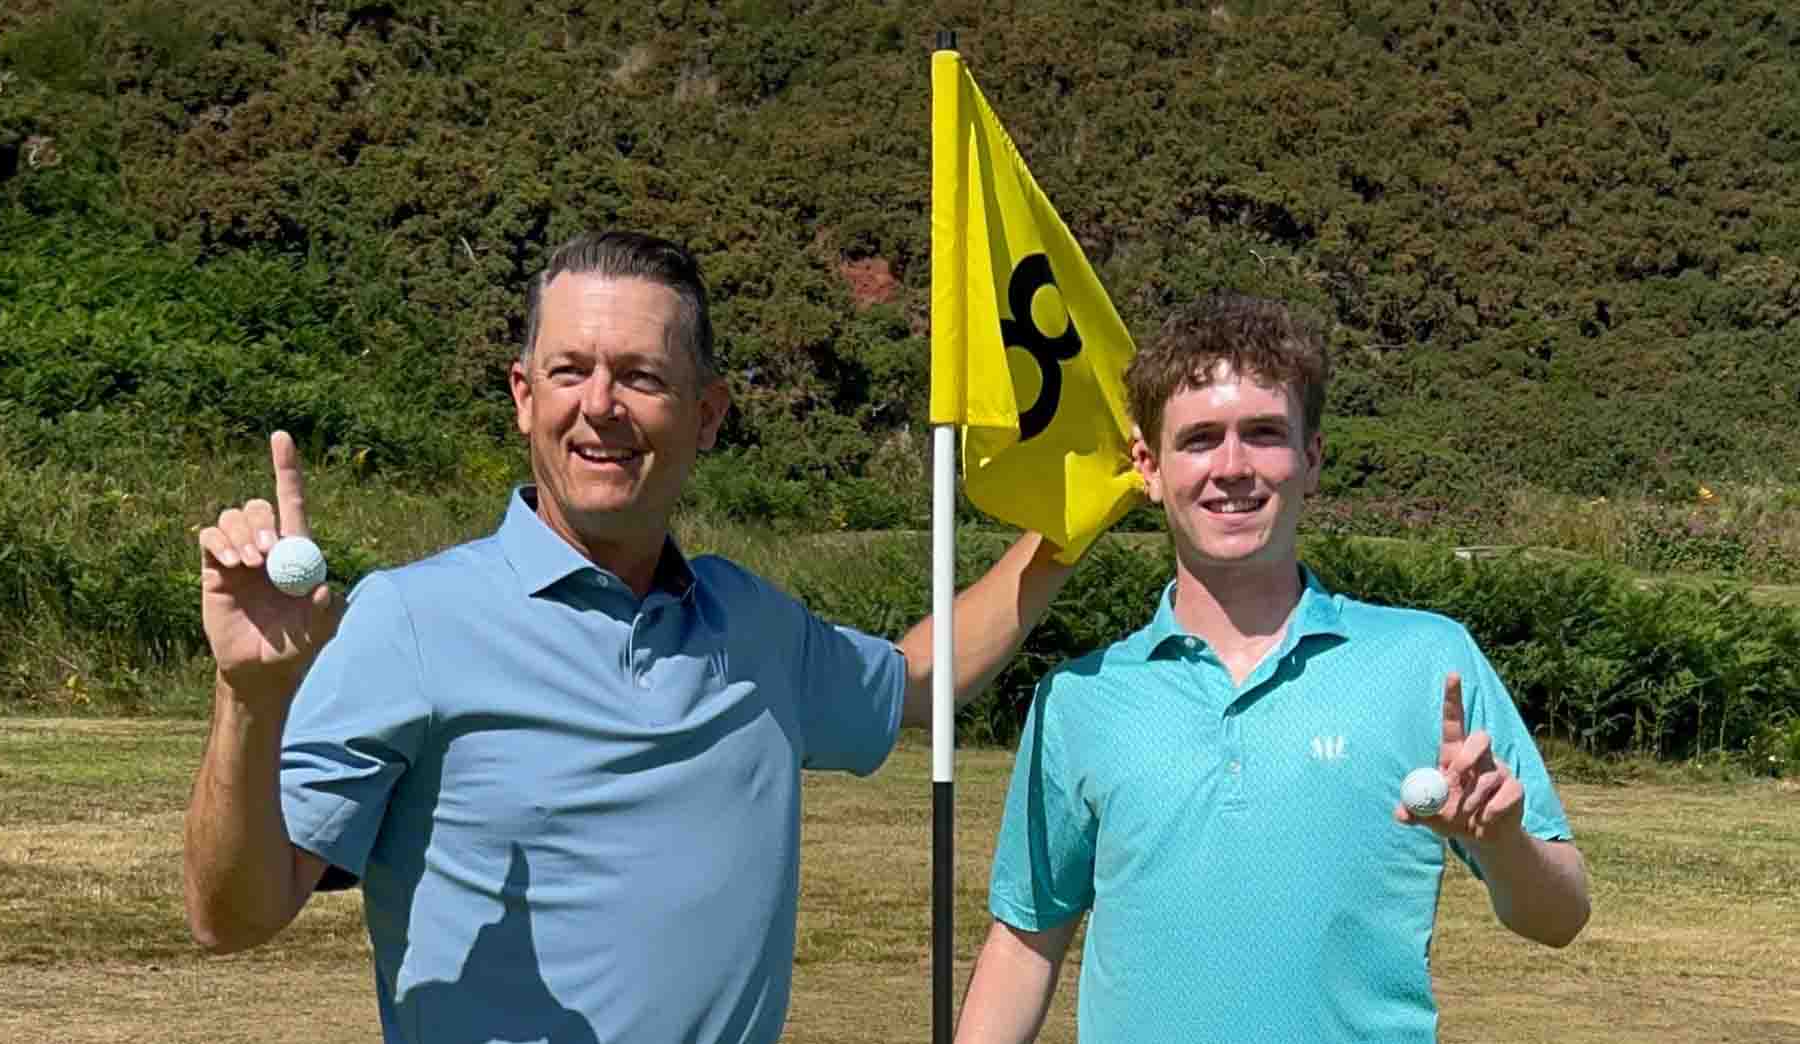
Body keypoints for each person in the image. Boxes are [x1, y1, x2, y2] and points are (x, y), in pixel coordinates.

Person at [183, 231, 1078, 1044]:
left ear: (708, 414)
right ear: (523, 396)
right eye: (569, 370)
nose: (601, 405)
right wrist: (251, 701)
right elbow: (231, 917)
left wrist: (1066, 528)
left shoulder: (755, 625)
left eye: (642, 376)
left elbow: (919, 678)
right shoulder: (408, 620)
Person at [954, 293, 1591, 1044]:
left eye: (1263, 434)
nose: (1232, 468)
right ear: (1148, 466)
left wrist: (1501, 840)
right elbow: (1026, 945)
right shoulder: (1080, 699)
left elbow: (1560, 918)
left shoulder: (1429, 661)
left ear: (1311, 459)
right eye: (1199, 440)